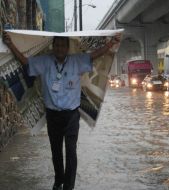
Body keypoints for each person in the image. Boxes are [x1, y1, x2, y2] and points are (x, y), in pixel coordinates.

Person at [2, 31, 120, 190]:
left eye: (62, 45)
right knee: (56, 152)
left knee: (71, 152)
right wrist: (10, 44)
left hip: (72, 115)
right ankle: (58, 182)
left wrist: (110, 44)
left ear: (67, 47)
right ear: (53, 46)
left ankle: (68, 187)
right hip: (52, 116)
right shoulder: (44, 62)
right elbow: (25, 62)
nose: (59, 48)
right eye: (57, 45)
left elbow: (94, 55)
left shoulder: (76, 61)